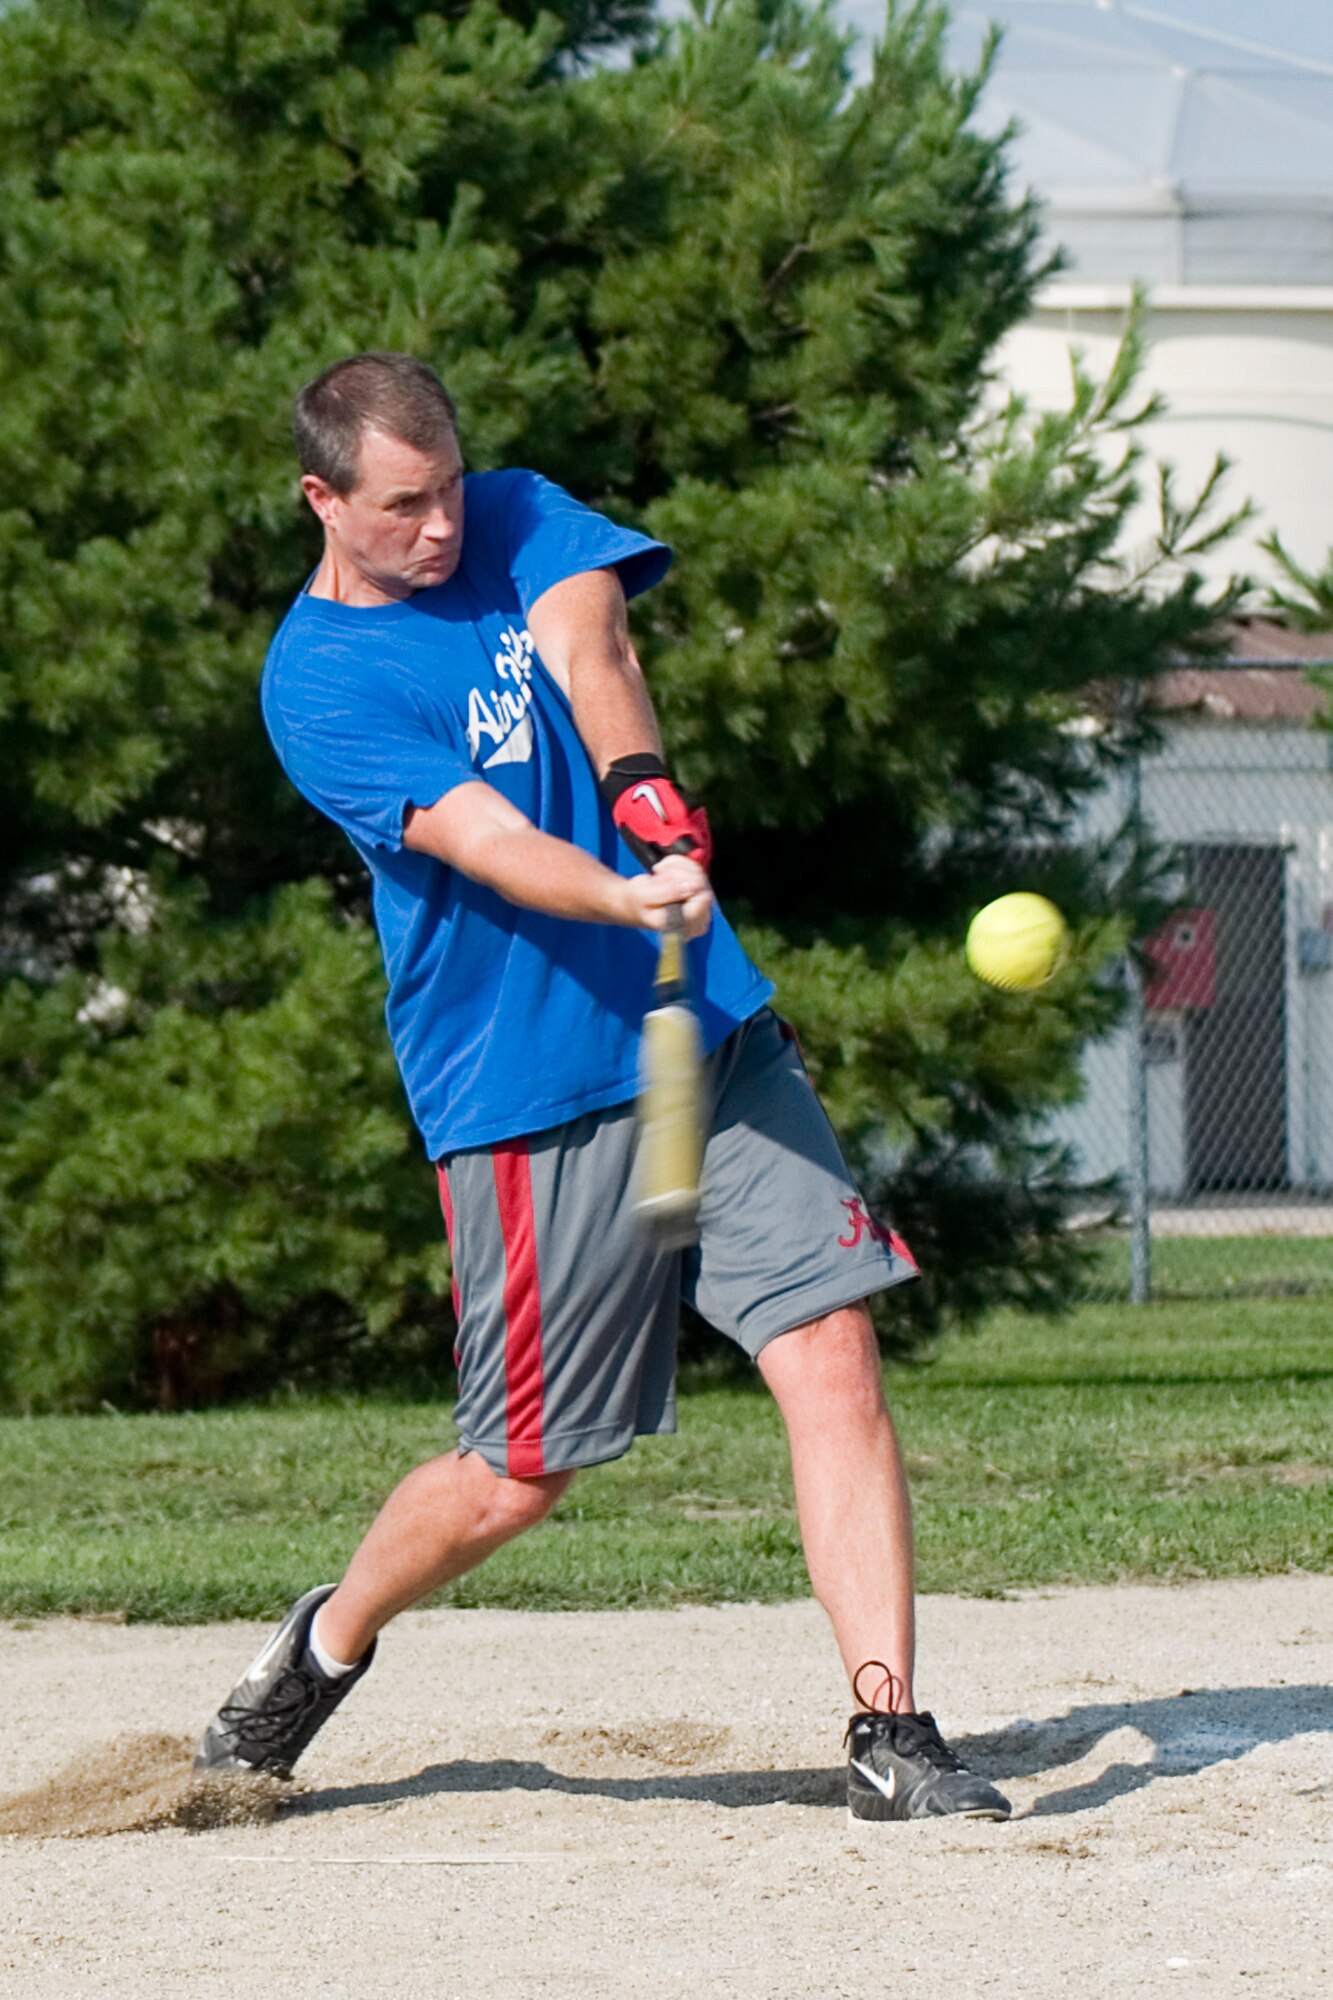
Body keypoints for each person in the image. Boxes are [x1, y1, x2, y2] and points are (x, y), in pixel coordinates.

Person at [193, 352, 1010, 1824]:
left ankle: (891, 1730)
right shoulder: (316, 681)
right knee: (519, 1476)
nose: (440, 529)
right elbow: (479, 834)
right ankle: (326, 1642)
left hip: (705, 1038)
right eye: (399, 506)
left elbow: (592, 650)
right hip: (525, 1089)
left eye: (445, 490)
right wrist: (613, 895)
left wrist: (639, 789)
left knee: (827, 1349)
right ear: (322, 499)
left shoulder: (510, 514)